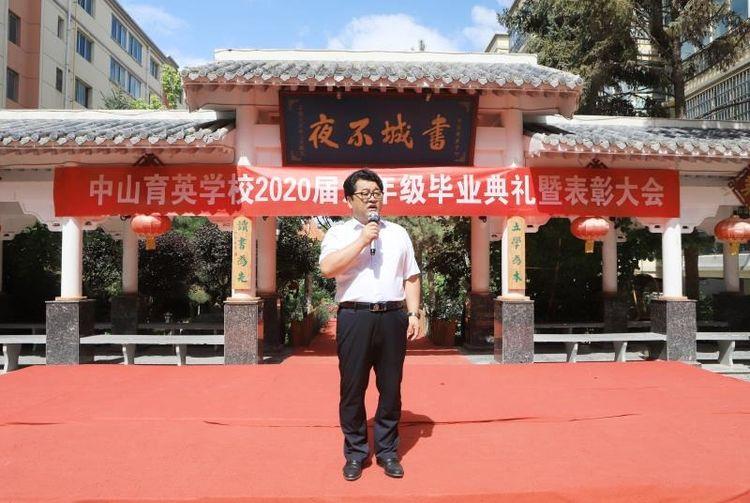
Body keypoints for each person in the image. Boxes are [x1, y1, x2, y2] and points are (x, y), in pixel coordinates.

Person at [319, 169, 421, 481]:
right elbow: (327, 268)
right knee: (352, 388)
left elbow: (411, 275)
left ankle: (388, 451)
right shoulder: (338, 233)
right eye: (364, 193)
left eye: (376, 192)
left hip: (393, 317)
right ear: (349, 200)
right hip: (355, 317)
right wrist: (362, 240)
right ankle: (355, 452)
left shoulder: (398, 233)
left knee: (391, 387)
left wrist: (414, 313)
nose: (372, 198)